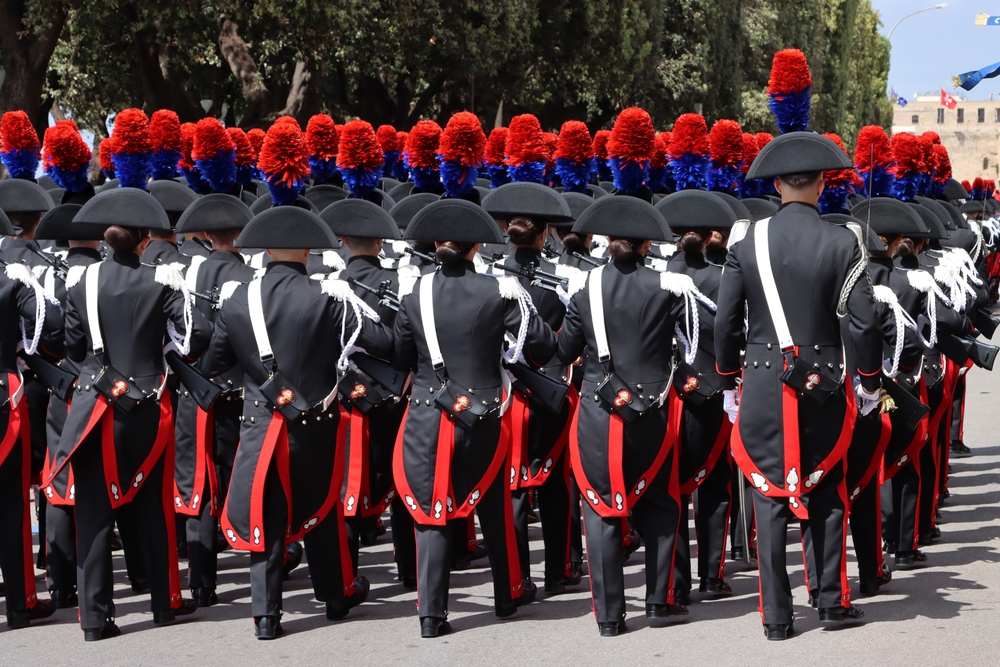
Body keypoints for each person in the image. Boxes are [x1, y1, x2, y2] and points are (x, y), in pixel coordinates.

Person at [715, 133, 884, 641]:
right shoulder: (843, 240)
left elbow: (726, 322)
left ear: (777, 186)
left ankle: (775, 617)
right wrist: (870, 383)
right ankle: (831, 602)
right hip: (823, 382)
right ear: (822, 183)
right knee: (827, 487)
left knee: (767, 495)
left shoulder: (745, 241)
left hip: (762, 381)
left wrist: (728, 382)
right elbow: (865, 322)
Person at [201, 206, 392, 640]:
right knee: (322, 507)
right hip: (316, 421)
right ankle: (337, 595)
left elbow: (214, 363)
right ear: (309, 251)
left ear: (266, 250)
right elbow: (382, 343)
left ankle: (266, 615)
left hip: (260, 420)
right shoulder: (329, 296)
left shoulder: (237, 298)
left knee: (266, 513)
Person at [46, 188, 213, 641]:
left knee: (93, 513)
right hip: (148, 404)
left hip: (95, 405)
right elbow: (195, 336)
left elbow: (73, 346)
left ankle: (94, 619)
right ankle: (164, 603)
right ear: (144, 240)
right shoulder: (161, 280)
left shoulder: (80, 281)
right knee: (154, 508)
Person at [390, 198, 556, 638]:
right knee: (495, 505)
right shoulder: (499, 290)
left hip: (427, 412)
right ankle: (508, 594)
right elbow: (543, 348)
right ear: (477, 245)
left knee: (430, 512)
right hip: (483, 413)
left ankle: (431, 614)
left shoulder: (414, 292)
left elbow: (401, 355)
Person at [556, 196, 708, 636]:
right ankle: (659, 601)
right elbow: (691, 344)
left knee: (601, 510)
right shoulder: (667, 286)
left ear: (606, 241)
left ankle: (609, 616)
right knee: (660, 502)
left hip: (598, 413)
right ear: (646, 245)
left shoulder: (584, 287)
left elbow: (563, 351)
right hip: (653, 411)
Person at [482, 181, 582, 595]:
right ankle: (559, 570)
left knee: (513, 488)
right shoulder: (563, 277)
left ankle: (517, 576)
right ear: (544, 235)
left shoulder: (487, 275)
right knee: (556, 483)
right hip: (551, 388)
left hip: (504, 392)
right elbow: (571, 339)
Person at [317, 198, 412, 584]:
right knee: (403, 484)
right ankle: (411, 571)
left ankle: (346, 577)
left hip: (347, 397)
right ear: (380, 242)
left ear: (342, 240)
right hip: (396, 397)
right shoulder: (401, 281)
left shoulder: (328, 285)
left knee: (348, 490)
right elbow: (406, 346)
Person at [171, 194, 257, 607]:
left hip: (196, 387)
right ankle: (265, 563)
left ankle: (202, 581)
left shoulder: (187, 271)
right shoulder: (253, 275)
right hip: (241, 389)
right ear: (243, 234)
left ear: (206, 234)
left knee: (200, 483)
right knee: (245, 476)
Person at [656, 190, 737, 603]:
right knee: (716, 483)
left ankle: (677, 583)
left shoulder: (654, 276)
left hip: (661, 394)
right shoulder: (724, 278)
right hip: (712, 391)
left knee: (669, 487)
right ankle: (711, 575)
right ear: (711, 236)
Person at [34, 204, 106, 610]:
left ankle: (60, 581)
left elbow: (44, 337)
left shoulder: (47, 274)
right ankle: (138, 573)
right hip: (99, 386)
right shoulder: (102, 272)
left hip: (61, 385)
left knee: (60, 479)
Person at [0, 206, 64, 629]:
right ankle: (20, 601)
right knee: (11, 505)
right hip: (3, 395)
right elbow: (52, 320)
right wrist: (27, 344)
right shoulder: (10, 277)